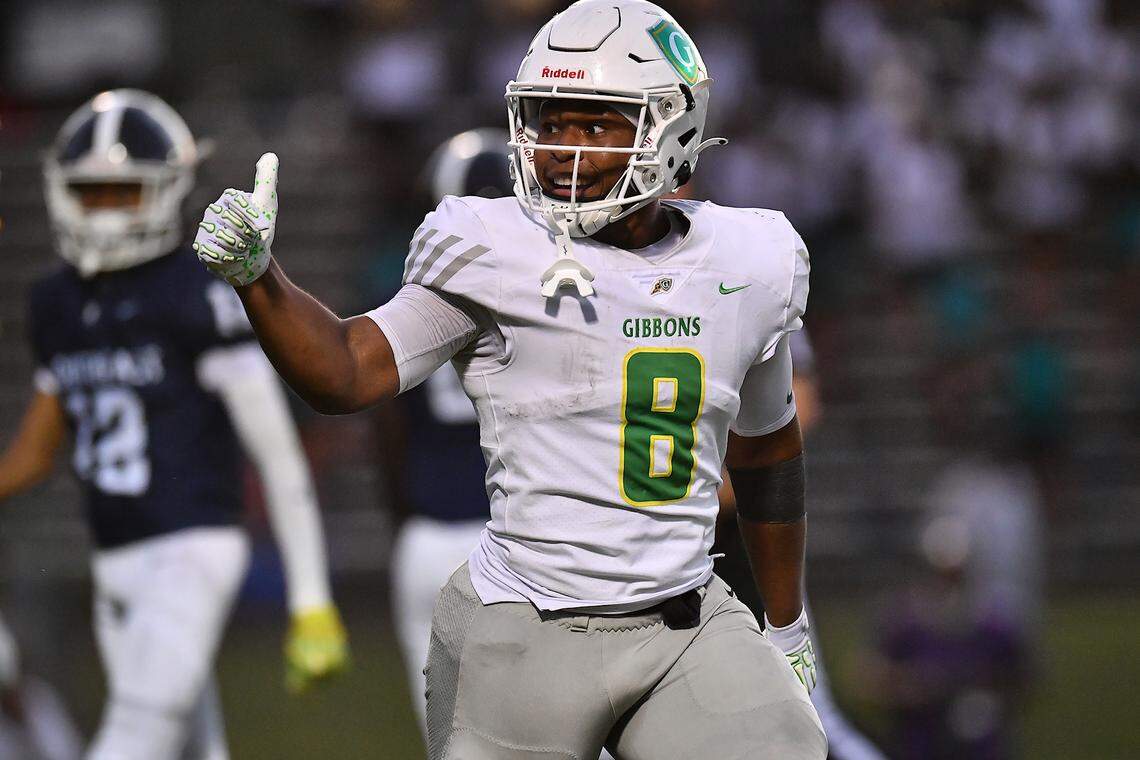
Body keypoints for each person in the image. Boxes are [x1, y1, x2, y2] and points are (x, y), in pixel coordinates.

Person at [192, 2, 826, 757]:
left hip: (685, 623)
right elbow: (347, 372)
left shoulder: (747, 259)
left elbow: (767, 452)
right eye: (550, 122)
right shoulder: (494, 245)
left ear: (673, 126)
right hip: (531, 625)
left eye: (595, 124)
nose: (562, 148)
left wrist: (784, 626)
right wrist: (259, 279)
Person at [0, 89, 349, 760]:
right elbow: (37, 448)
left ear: (167, 189)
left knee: (136, 736)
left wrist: (311, 598)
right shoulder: (55, 301)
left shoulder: (196, 290)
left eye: (123, 193)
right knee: (194, 747)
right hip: (114, 561)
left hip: (193, 546)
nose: (104, 213)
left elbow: (276, 455)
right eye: (91, 193)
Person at [716, 330, 888, 760]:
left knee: (806, 711)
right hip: (646, 543)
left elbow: (800, 398)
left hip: (742, 541)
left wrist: (717, 491)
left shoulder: (752, 272)